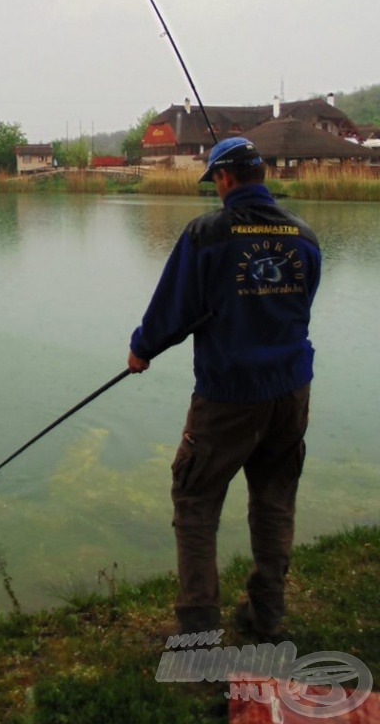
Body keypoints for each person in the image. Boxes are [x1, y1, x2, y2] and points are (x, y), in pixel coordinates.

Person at [127, 137, 321, 640]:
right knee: (275, 498)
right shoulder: (305, 237)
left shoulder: (206, 234)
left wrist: (142, 349)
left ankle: (196, 634)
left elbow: (173, 308)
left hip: (230, 395)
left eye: (214, 180)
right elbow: (299, 305)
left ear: (226, 179)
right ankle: (267, 617)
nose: (215, 190)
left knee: (194, 498)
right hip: (291, 392)